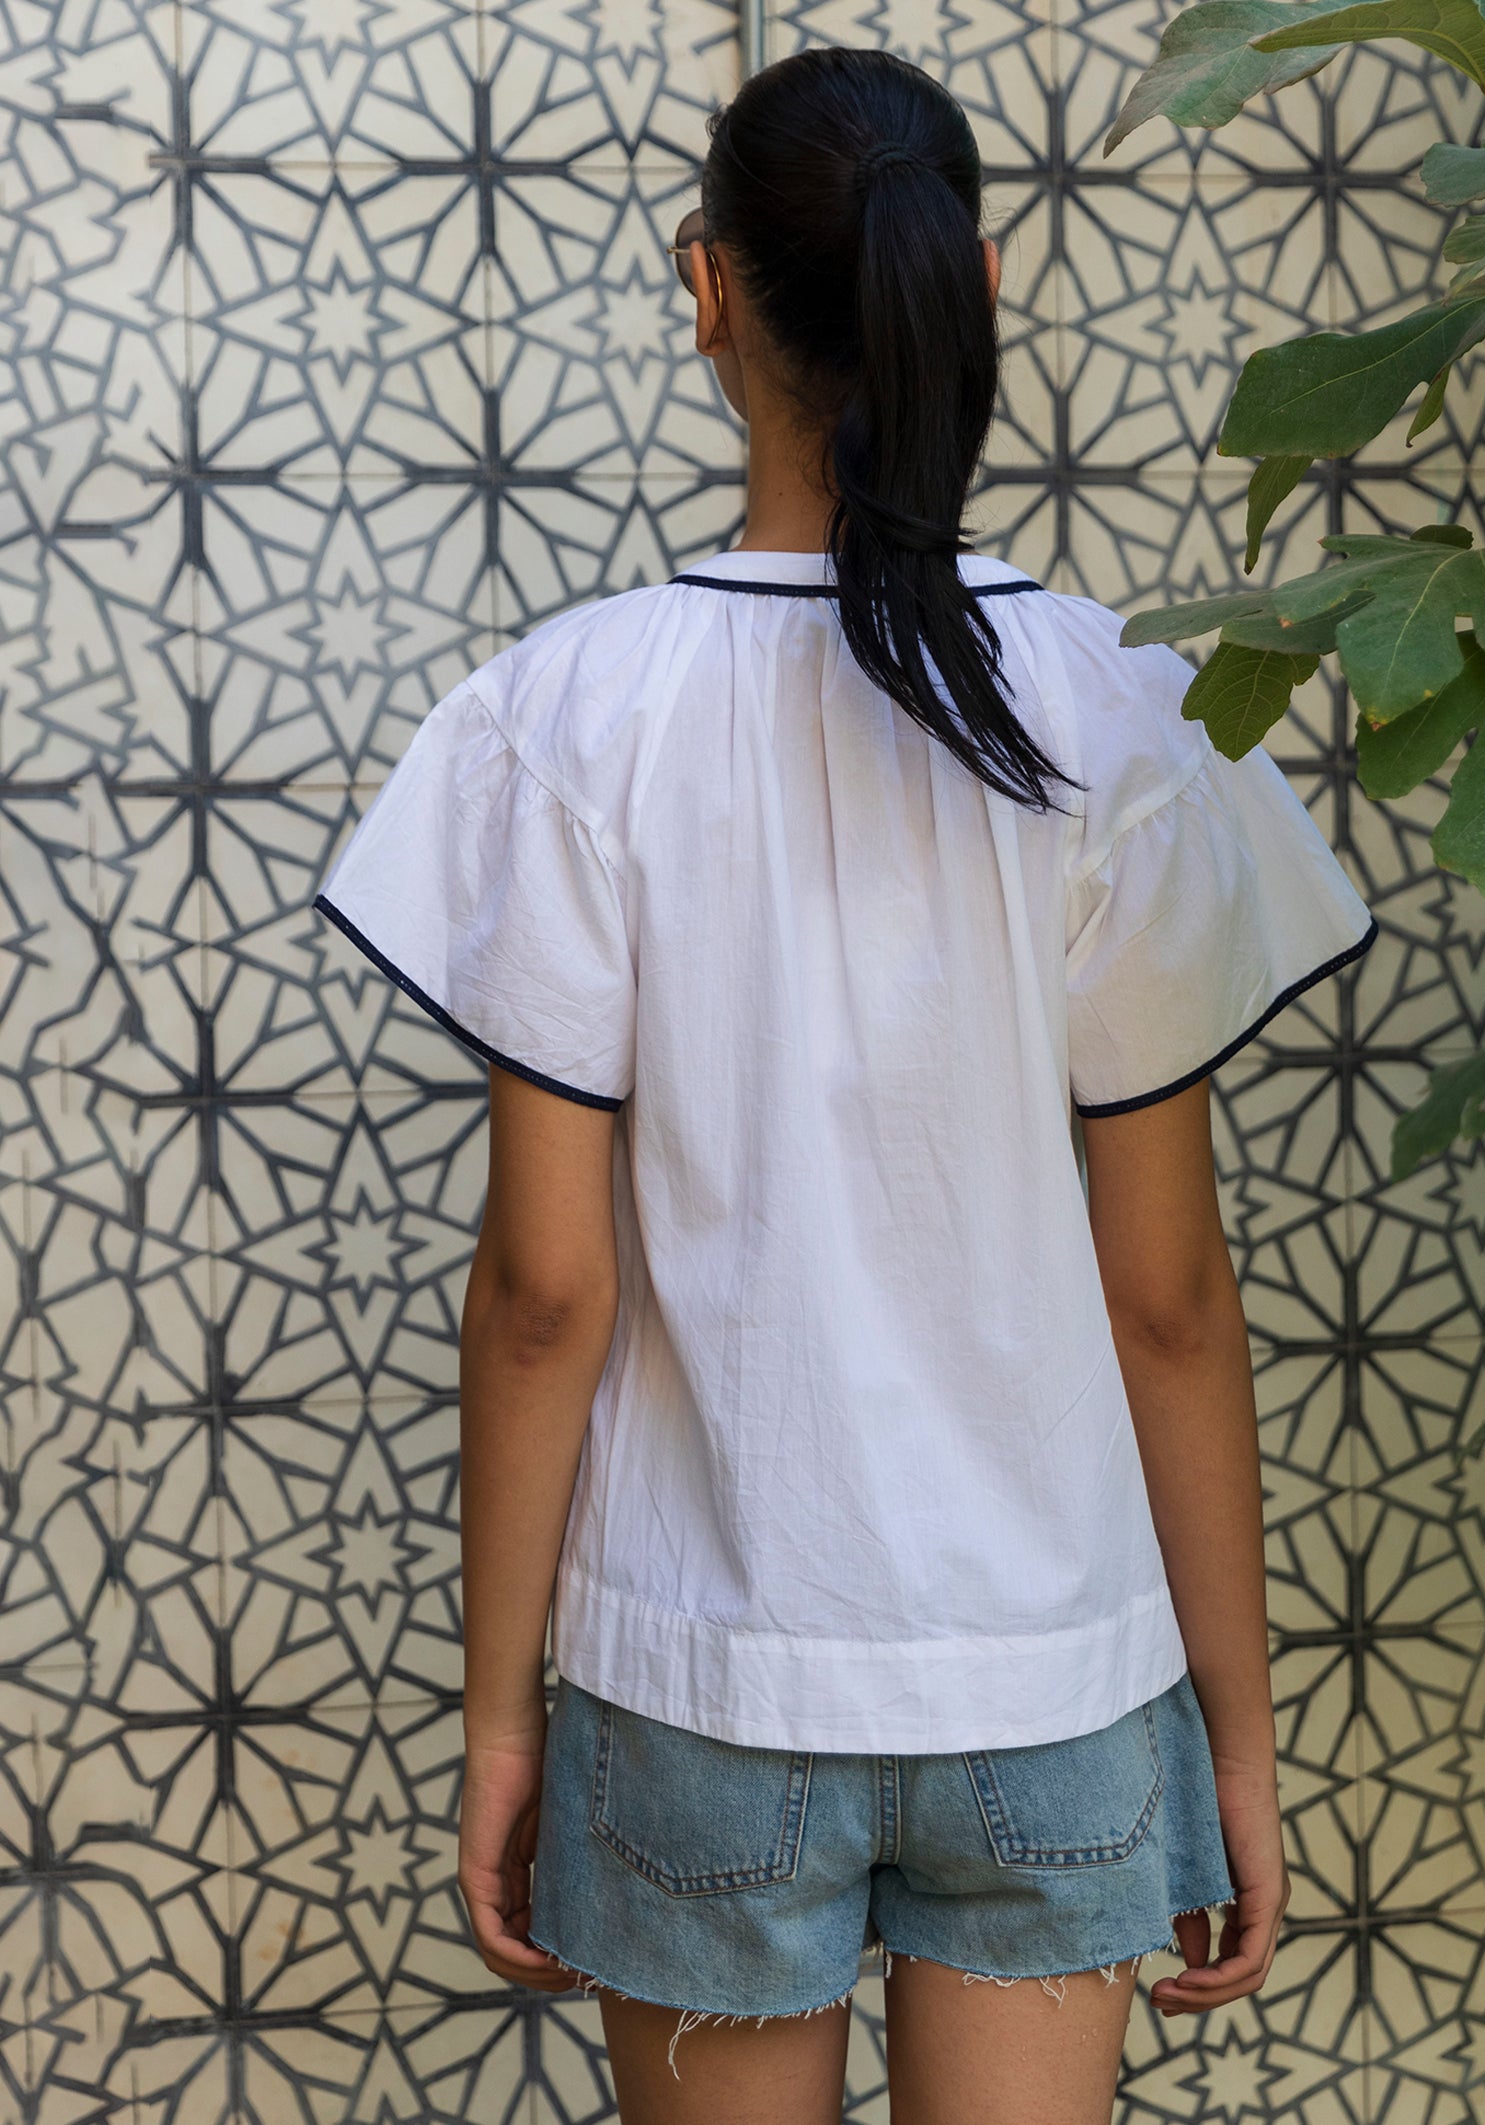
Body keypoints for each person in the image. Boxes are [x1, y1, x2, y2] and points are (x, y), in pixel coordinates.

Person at [314, 43, 1374, 2125]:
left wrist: (498, 1717)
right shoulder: (1119, 717)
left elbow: (542, 1290)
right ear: (969, 279)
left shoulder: (567, 719)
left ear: (706, 294)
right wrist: (1234, 1748)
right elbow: (1168, 1296)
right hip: (1051, 1682)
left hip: (697, 1677)